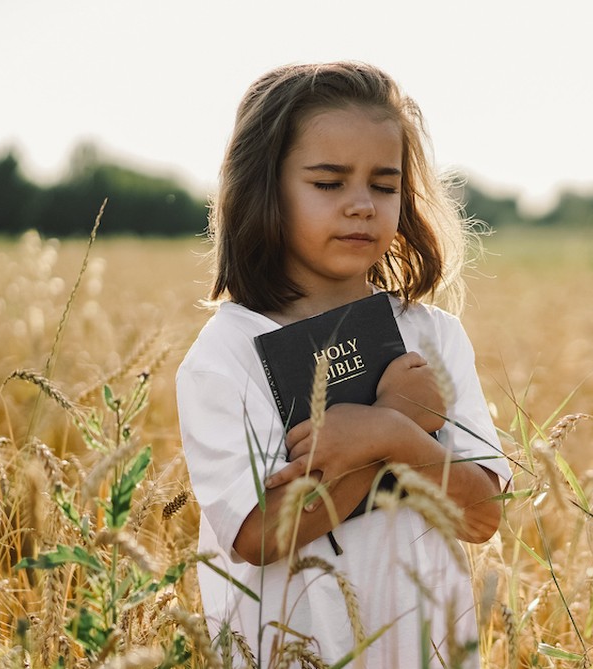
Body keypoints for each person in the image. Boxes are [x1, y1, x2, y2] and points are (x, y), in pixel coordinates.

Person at [176, 61, 509, 667]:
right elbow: (258, 536)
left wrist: (393, 436)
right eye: (329, 183)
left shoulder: (432, 335)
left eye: (384, 185)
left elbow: (482, 515)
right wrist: (388, 420)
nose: (362, 205)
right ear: (264, 188)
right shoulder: (226, 354)